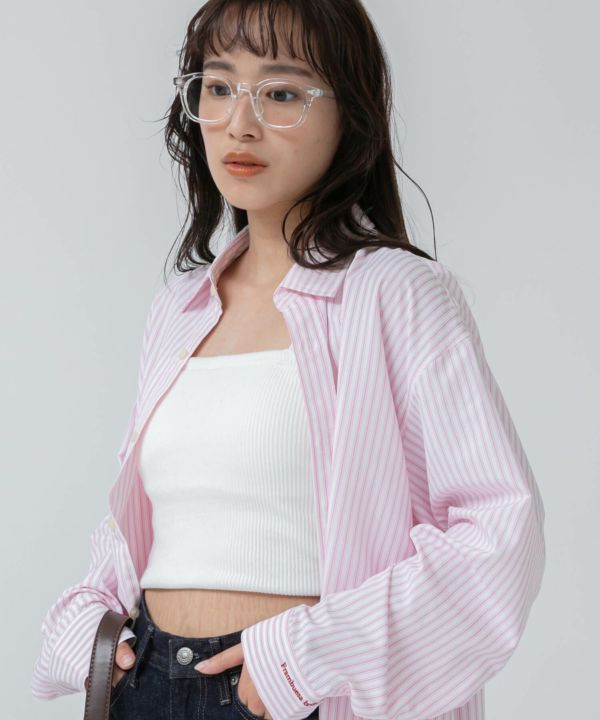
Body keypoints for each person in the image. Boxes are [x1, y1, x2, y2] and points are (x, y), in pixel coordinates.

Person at [31, 2, 546, 719]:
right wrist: (89, 623)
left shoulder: (395, 293)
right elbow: (144, 524)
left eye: (280, 93)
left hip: (301, 696)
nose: (240, 123)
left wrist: (308, 658)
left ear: (350, 113)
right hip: (144, 684)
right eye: (219, 87)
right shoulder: (179, 308)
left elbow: (498, 533)